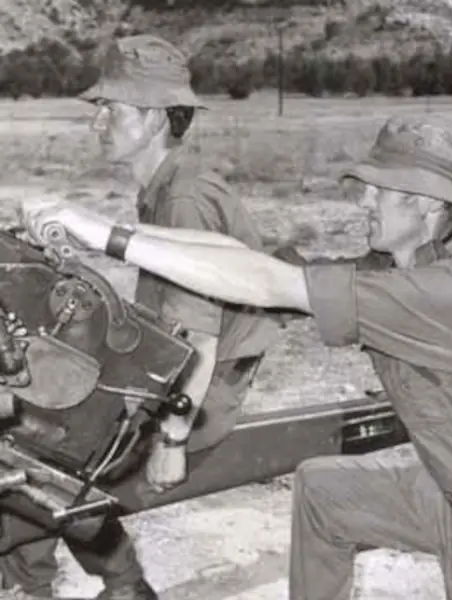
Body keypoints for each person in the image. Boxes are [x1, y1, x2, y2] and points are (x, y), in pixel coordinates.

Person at [23, 114, 452, 600]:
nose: (365, 201)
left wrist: (104, 236)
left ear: (426, 204)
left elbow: (269, 283)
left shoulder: (437, 294)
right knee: (323, 490)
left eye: (381, 191)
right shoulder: (391, 270)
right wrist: (98, 230)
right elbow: (249, 263)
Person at [1, 33, 282, 600]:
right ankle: (105, 583)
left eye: (110, 109)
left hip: (198, 394)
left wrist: (172, 442)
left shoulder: (183, 196)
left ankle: (63, 582)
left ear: (153, 118)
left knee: (37, 444)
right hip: (178, 377)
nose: (96, 122)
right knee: (35, 413)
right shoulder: (167, 185)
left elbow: (197, 338)